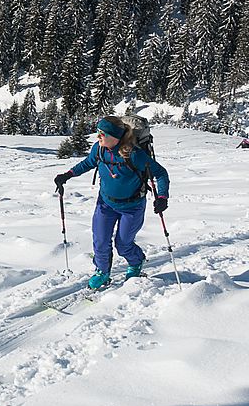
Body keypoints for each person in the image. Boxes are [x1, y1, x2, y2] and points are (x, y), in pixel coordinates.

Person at [53, 115, 170, 290]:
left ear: (115, 137)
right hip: (105, 203)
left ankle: (136, 262)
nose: (97, 137)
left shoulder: (134, 154)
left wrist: (162, 197)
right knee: (100, 240)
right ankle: (102, 272)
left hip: (132, 207)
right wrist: (67, 174)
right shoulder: (99, 149)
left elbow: (160, 174)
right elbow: (88, 163)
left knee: (123, 244)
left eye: (102, 134)